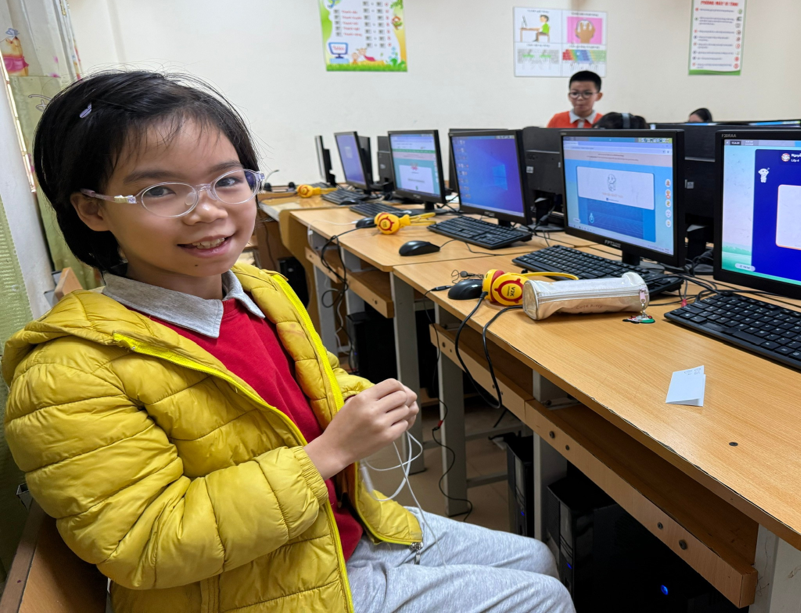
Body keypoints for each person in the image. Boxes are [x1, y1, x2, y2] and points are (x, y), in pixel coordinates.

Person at [3, 70, 574, 614]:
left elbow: (312, 379)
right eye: (159, 190)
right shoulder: (68, 372)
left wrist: (358, 398)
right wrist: (329, 453)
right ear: (92, 209)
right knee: (544, 598)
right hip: (250, 587)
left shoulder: (257, 290)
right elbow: (147, 543)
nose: (208, 210)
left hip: (326, 530)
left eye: (227, 180)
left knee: (537, 557)